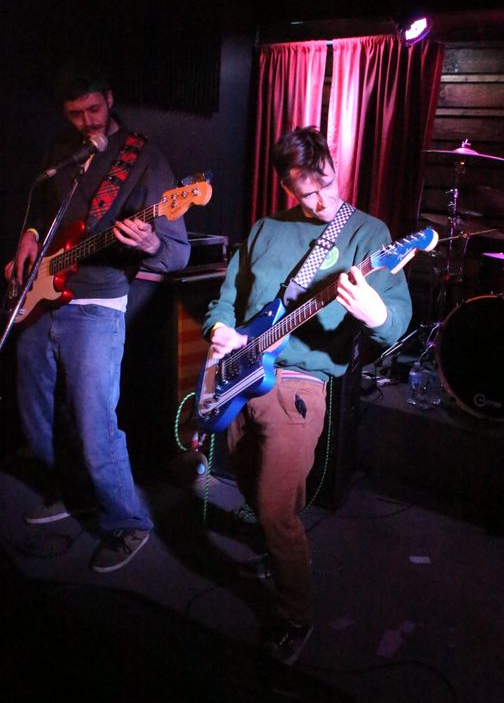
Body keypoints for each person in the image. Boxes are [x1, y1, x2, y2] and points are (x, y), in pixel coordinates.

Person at [202, 126, 412, 663]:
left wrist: (376, 313)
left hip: (300, 384)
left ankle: (295, 616)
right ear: (285, 186)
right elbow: (226, 299)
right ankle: (276, 550)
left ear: (334, 167)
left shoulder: (368, 234)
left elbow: (397, 321)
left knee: (276, 508)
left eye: (326, 185)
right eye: (305, 192)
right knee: (250, 484)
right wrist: (220, 331)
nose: (320, 201)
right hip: (241, 372)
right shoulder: (265, 228)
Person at [3, 62, 190, 572]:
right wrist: (29, 236)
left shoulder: (144, 159)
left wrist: (149, 242)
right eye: (74, 113)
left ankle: (129, 520)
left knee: (94, 422)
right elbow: (43, 209)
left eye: (93, 109)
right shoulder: (62, 149)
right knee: (35, 408)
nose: (86, 121)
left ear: (109, 98)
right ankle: (73, 491)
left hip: (99, 306)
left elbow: (177, 254)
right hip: (44, 296)